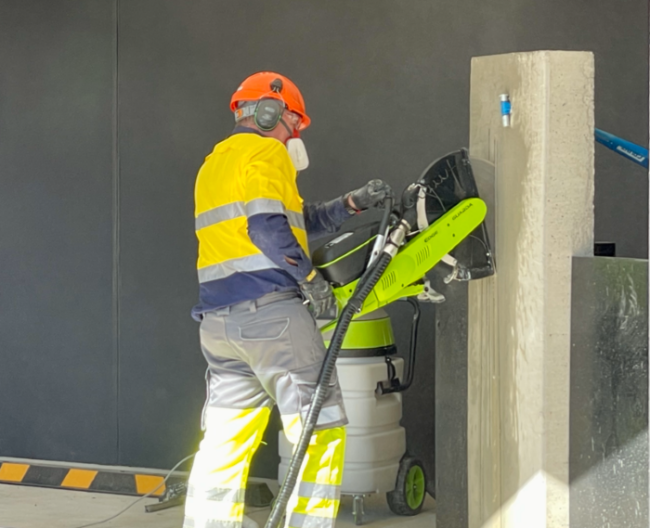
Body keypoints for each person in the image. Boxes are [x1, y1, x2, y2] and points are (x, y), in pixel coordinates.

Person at [184, 71, 390, 528]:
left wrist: (351, 204)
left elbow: (292, 220)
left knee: (224, 442)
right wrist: (310, 279)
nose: (295, 135)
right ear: (268, 111)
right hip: (272, 319)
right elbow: (266, 228)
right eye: (294, 123)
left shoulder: (214, 163)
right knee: (320, 428)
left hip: (220, 328)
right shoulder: (267, 152)